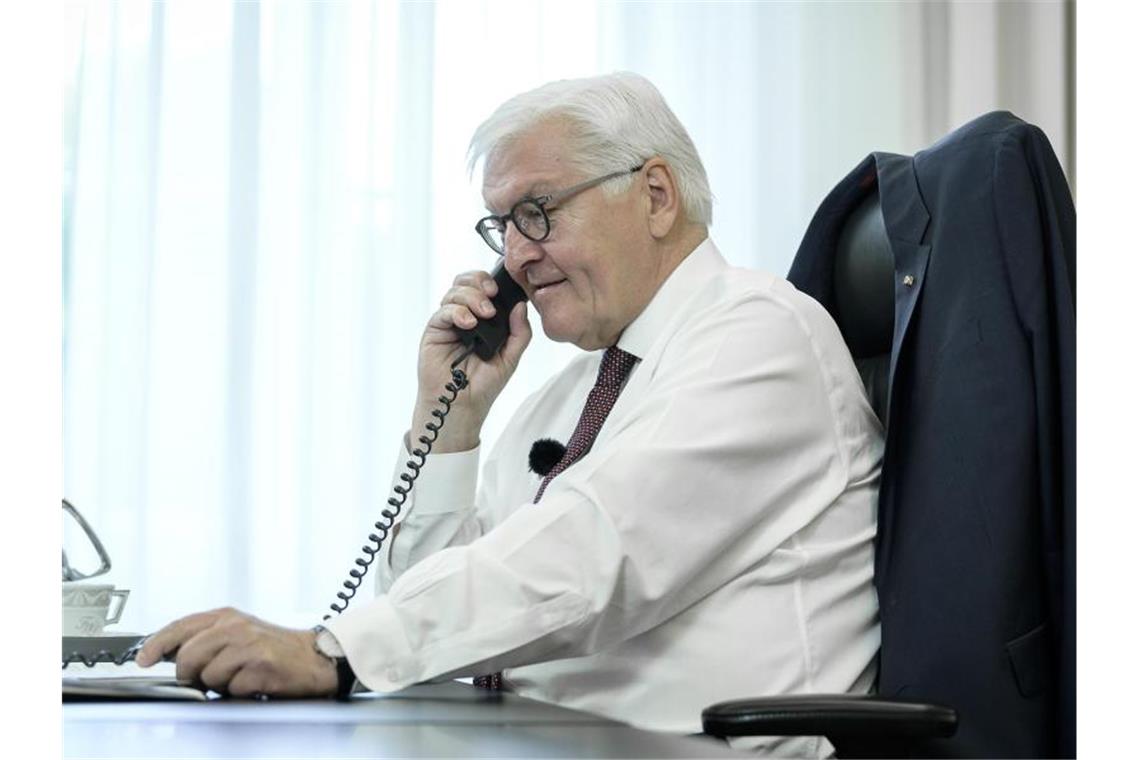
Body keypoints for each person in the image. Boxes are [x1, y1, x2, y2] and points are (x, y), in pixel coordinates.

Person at [138, 72, 883, 755]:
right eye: (503, 228)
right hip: (553, 742)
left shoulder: (761, 336)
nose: (519, 257)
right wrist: (451, 421)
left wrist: (338, 651)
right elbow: (434, 614)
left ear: (656, 195)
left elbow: (593, 558)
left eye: (539, 212)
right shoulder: (572, 391)